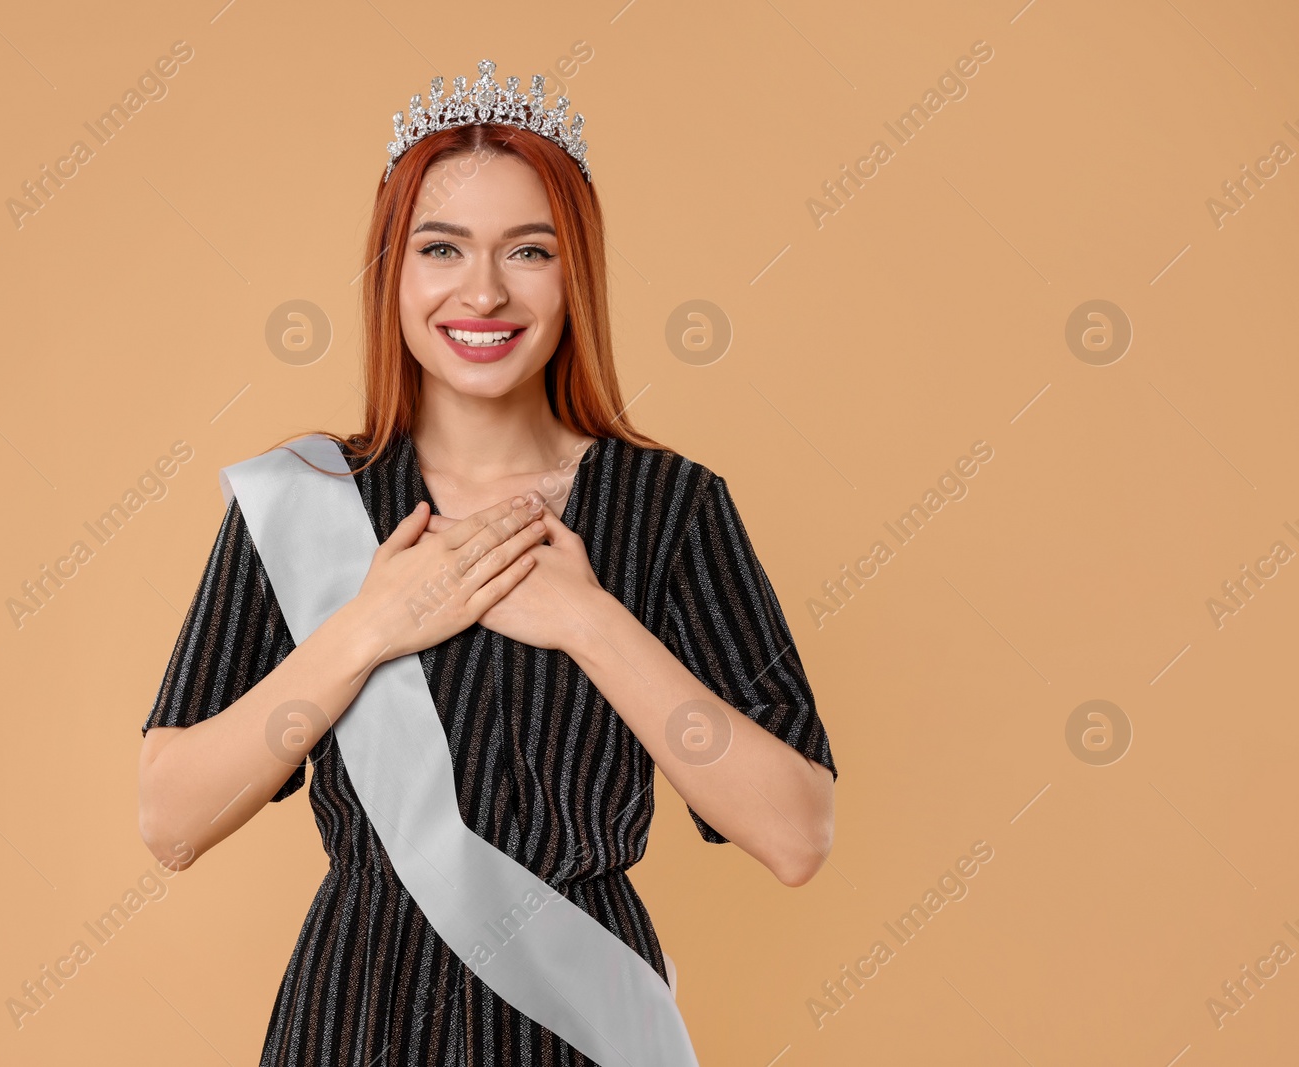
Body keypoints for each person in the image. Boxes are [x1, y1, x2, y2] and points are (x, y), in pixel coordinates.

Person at [136, 59, 837, 1066]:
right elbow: (169, 817)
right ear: (392, 269)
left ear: (575, 272)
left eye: (529, 251)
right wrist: (371, 623)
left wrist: (590, 619)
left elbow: (797, 833)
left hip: (581, 1022)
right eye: (441, 248)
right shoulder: (306, 500)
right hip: (355, 1015)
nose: (482, 290)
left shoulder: (669, 507)